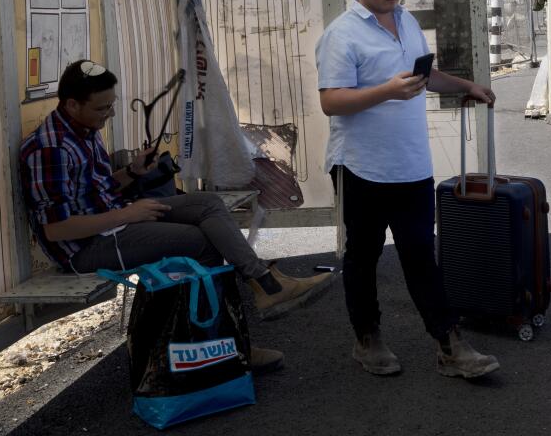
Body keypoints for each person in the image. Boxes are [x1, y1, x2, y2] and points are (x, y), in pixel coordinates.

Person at [19, 60, 333, 371]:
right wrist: (130, 212)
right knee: (200, 243)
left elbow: (94, 190)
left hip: (114, 220)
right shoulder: (50, 149)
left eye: (111, 106)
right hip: (86, 247)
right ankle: (227, 347)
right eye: (102, 109)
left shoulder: (83, 128)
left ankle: (264, 282)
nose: (109, 114)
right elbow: (58, 230)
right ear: (72, 104)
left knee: (209, 204)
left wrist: (132, 172)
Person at [316, 0, 500, 379]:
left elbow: (423, 76)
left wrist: (465, 85)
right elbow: (331, 102)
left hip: (411, 164)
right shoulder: (342, 35)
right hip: (362, 166)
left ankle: (450, 345)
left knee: (421, 254)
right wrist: (385, 91)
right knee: (362, 256)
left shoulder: (407, 20)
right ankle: (368, 339)